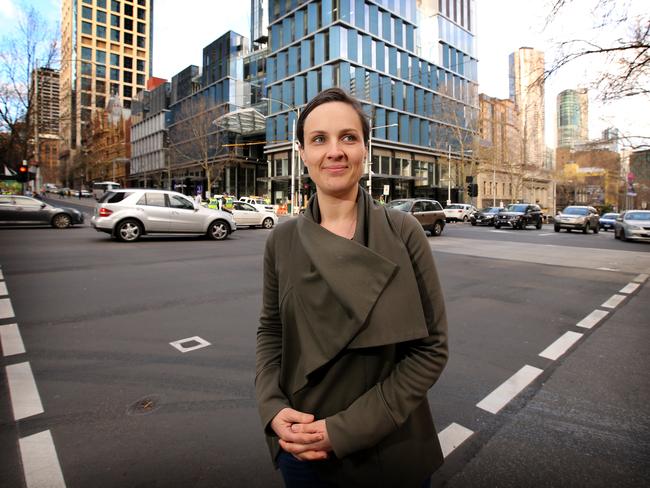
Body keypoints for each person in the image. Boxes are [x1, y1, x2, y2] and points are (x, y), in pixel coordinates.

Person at [255, 87, 449, 488]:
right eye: (319, 139)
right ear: (302, 153)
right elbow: (271, 333)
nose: (335, 151)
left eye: (348, 137)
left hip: (391, 448)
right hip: (303, 447)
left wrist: (345, 430)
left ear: (365, 149)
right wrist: (272, 407)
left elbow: (431, 349)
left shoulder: (404, 232)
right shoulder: (281, 241)